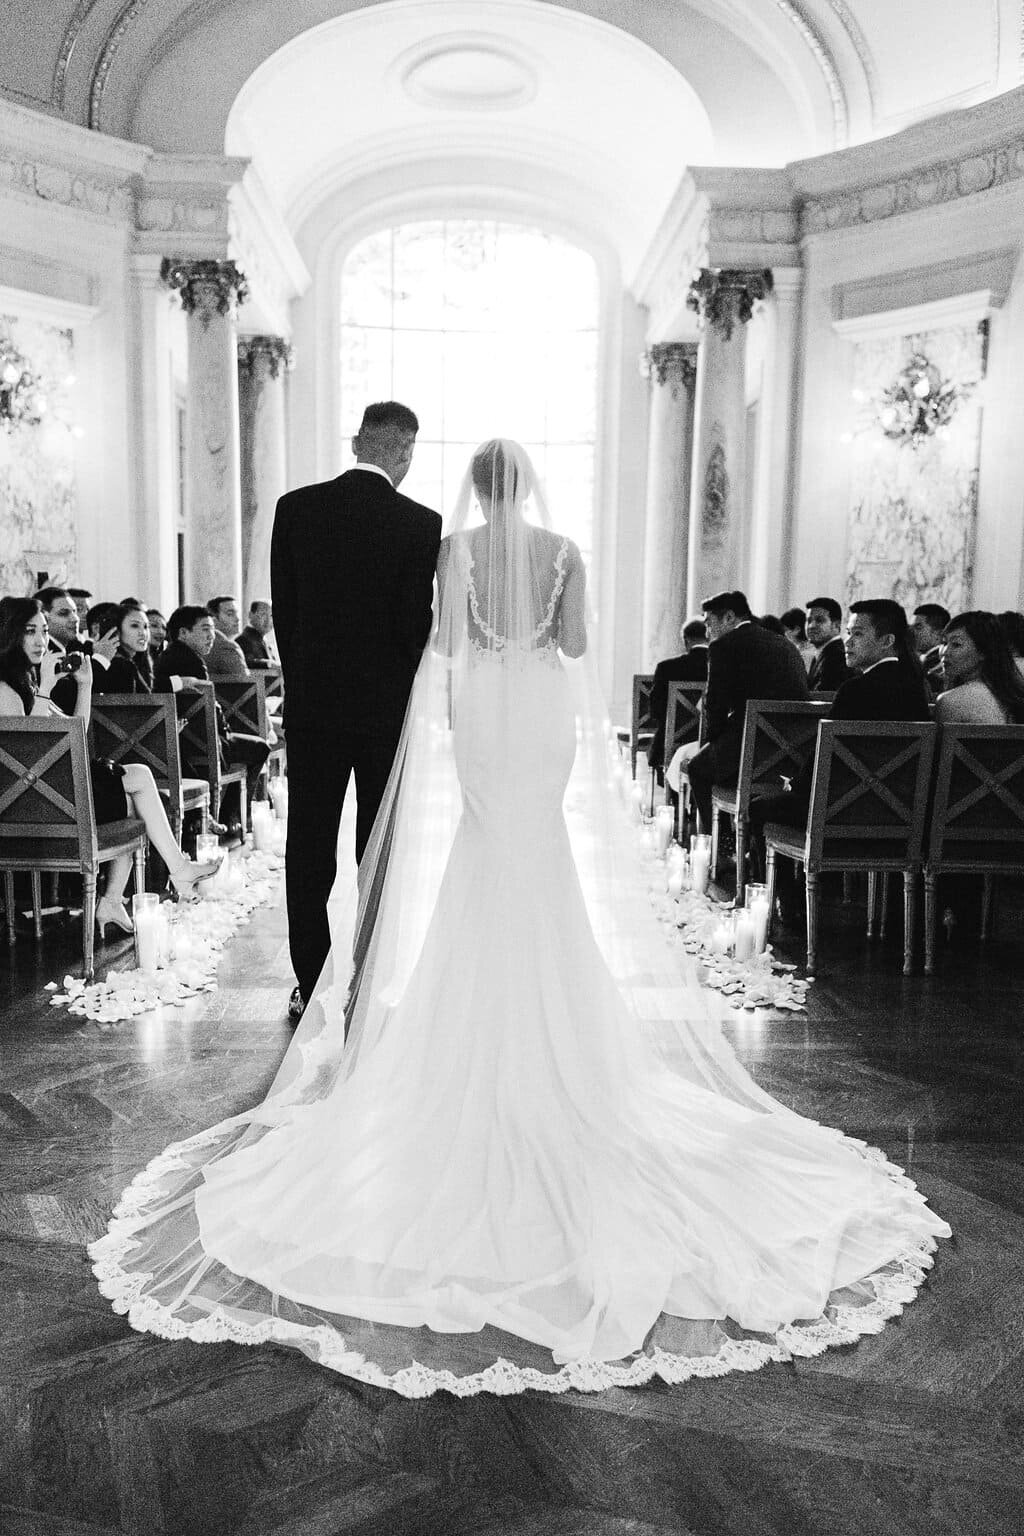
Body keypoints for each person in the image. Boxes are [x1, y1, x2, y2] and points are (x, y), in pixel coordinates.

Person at [90, 440, 949, 1398]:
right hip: (542, 713)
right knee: (541, 858)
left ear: (474, 489)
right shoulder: (569, 550)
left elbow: (447, 648)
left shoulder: (454, 552)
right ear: (531, 486)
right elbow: (577, 647)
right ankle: (557, 1030)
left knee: (482, 852)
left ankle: (470, 1026)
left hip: (488, 713)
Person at [270, 400, 441, 1022]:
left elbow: (284, 617)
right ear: (403, 453)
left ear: (355, 443)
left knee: (308, 847)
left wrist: (307, 686)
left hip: (313, 710)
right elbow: (414, 627)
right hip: (382, 715)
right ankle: (366, 978)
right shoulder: (421, 524)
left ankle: (311, 981)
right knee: (377, 845)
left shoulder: (296, 510)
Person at [0, 598, 218, 934]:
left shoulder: (29, 680)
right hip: (31, 805)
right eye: (31, 632)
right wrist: (45, 688)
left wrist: (84, 685)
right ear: (11, 634)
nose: (41, 640)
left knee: (133, 798)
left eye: (43, 631)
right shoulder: (5, 688)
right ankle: (159, 878)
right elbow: (32, 750)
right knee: (139, 779)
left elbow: (75, 734)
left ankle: (117, 898)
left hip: (52, 793)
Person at [684, 589, 809, 833]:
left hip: (749, 752)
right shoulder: (785, 644)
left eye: (709, 624)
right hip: (794, 758)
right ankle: (749, 844)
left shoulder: (724, 646)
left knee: (697, 769)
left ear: (729, 617)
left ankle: (722, 845)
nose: (708, 633)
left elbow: (715, 707)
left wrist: (712, 743)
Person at [154, 605, 270, 815]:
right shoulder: (191, 660)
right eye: (205, 629)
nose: (212, 636)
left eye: (213, 630)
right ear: (183, 633)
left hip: (184, 742)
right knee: (260, 747)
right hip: (200, 743)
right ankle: (234, 814)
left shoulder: (168, 655)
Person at [935, 610, 1024, 724]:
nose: (944, 652)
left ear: (983, 652)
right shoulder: (1014, 694)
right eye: (944, 643)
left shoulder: (951, 701)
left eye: (956, 644)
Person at [647, 617, 707, 779]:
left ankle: (673, 797)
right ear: (709, 637)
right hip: (708, 745)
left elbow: (656, 711)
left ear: (685, 641)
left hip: (670, 744)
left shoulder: (666, 668)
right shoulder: (720, 667)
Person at [805, 596, 851, 691]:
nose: (811, 626)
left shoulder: (837, 656)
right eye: (809, 620)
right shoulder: (824, 653)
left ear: (836, 625)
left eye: (819, 620)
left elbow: (825, 698)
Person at [205, 596, 249, 677]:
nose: (237, 619)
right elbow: (246, 681)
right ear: (213, 620)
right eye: (230, 614)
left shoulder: (200, 645)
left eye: (237, 613)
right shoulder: (227, 647)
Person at [912, 602, 950, 694]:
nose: (913, 632)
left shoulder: (940, 665)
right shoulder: (923, 662)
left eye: (919, 627)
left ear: (938, 633)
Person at [236, 600, 275, 669]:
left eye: (271, 615)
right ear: (250, 615)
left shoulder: (263, 641)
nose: (268, 620)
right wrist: (270, 664)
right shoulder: (243, 640)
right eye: (263, 614)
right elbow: (246, 662)